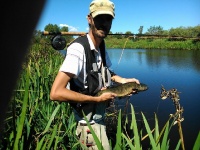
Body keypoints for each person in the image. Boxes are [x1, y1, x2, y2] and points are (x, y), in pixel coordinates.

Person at [50, 0, 140, 149]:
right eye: (99, 18)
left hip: (98, 114)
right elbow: (56, 93)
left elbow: (106, 72)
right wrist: (96, 100)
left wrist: (124, 80)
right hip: (87, 121)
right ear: (89, 19)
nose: (104, 23)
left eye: (108, 19)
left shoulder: (101, 46)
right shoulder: (78, 49)